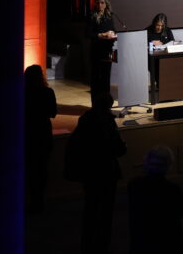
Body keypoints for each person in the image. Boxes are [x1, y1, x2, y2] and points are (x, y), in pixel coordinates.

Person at [65, 92, 126, 254]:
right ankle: (102, 245)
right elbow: (118, 148)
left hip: (89, 172)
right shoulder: (107, 122)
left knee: (90, 208)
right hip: (106, 171)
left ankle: (87, 244)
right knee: (106, 211)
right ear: (108, 106)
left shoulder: (85, 120)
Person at [127, 146, 183, 253]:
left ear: (146, 162)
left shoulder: (133, 184)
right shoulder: (172, 189)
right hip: (168, 239)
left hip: (141, 236)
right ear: (169, 165)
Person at [24, 64, 57, 214]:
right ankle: (39, 202)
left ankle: (30, 201)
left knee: (29, 169)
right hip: (43, 133)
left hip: (28, 132)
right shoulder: (47, 92)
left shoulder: (23, 93)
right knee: (42, 169)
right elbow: (53, 113)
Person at [88, 0, 117, 96]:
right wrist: (102, 35)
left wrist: (113, 33)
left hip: (107, 49)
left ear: (106, 4)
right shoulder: (92, 16)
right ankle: (96, 99)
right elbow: (88, 33)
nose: (100, 5)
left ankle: (106, 99)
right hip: (96, 50)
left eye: (102, 3)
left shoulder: (109, 16)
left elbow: (113, 30)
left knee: (106, 75)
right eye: (98, 3)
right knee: (96, 76)